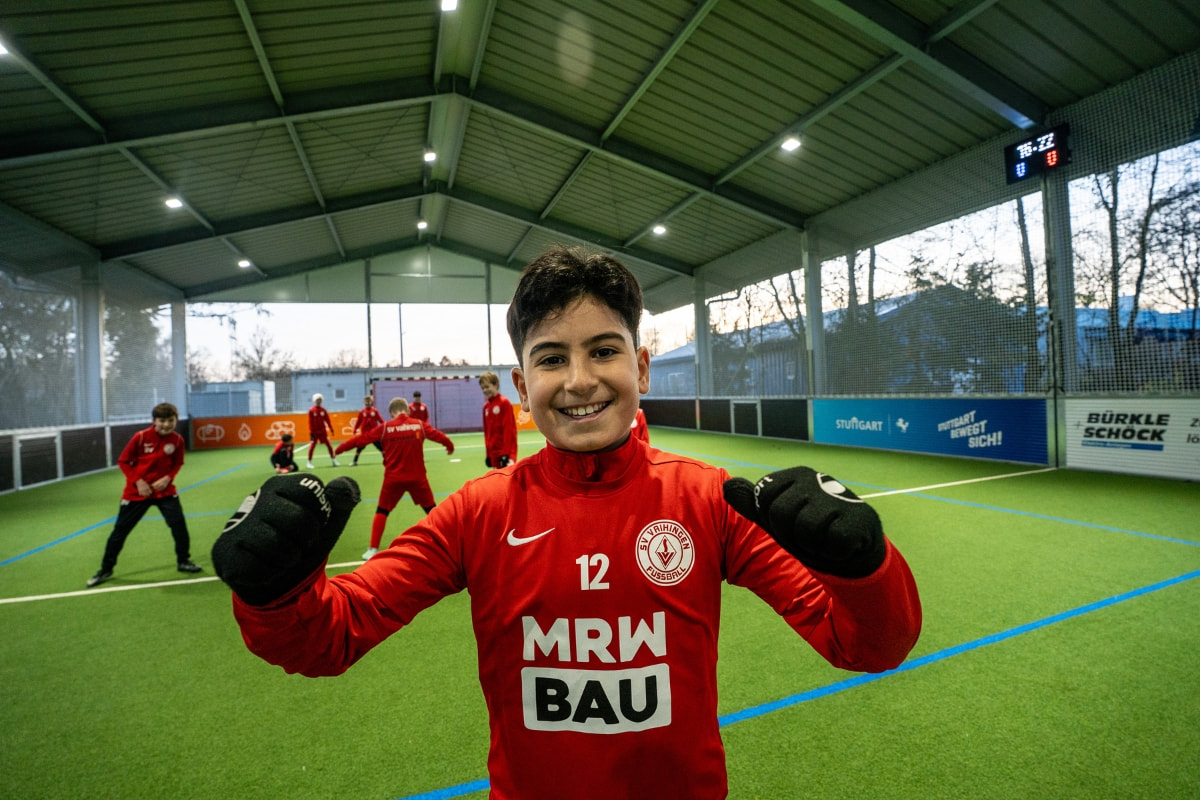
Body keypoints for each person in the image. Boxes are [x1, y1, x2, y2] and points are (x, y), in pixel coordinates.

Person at [212, 246, 921, 800]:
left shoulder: (709, 501)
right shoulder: (480, 512)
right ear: (523, 386)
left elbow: (865, 644)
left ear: (642, 365)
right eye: (552, 359)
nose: (580, 380)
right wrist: (273, 594)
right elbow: (329, 637)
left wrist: (865, 572)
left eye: (604, 350)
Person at [87, 402, 202, 587]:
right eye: (162, 421)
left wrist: (168, 478)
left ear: (175, 420)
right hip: (136, 494)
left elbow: (177, 463)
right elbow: (123, 461)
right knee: (120, 533)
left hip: (165, 492)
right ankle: (105, 570)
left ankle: (183, 561)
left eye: (170, 420)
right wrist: (138, 482)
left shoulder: (178, 440)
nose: (166, 424)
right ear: (154, 421)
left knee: (179, 527)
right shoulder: (140, 437)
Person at [333, 397, 455, 560]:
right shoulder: (419, 425)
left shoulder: (385, 428)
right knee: (432, 510)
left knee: (382, 511)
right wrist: (449, 446)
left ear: (391, 413)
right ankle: (448, 542)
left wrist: (340, 449)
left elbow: (361, 439)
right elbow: (438, 435)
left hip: (393, 479)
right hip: (418, 478)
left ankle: (373, 549)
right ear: (408, 410)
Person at [479, 371, 517, 469]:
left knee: (508, 482)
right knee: (497, 482)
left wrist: (506, 453)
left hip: (506, 452)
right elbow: (487, 433)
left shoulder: (504, 403)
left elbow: (508, 430)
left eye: (487, 387)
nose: (485, 390)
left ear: (495, 385)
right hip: (493, 453)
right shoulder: (486, 407)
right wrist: (488, 454)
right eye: (483, 388)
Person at [306, 393, 339, 469]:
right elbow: (310, 422)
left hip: (323, 432)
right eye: (317, 400)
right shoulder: (311, 410)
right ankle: (309, 462)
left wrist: (331, 429)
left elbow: (327, 420)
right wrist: (311, 432)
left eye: (320, 400)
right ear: (314, 400)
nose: (319, 401)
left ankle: (333, 460)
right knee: (312, 447)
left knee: (329, 446)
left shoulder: (323, 410)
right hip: (314, 432)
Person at [350, 395, 384, 467]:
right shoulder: (362, 412)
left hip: (374, 433)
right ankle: (355, 461)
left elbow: (380, 420)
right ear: (364, 402)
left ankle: (387, 460)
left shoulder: (375, 411)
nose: (368, 403)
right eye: (366, 401)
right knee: (359, 447)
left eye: (369, 401)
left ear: (372, 402)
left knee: (381, 447)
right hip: (365, 434)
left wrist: (384, 426)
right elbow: (358, 421)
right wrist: (355, 429)